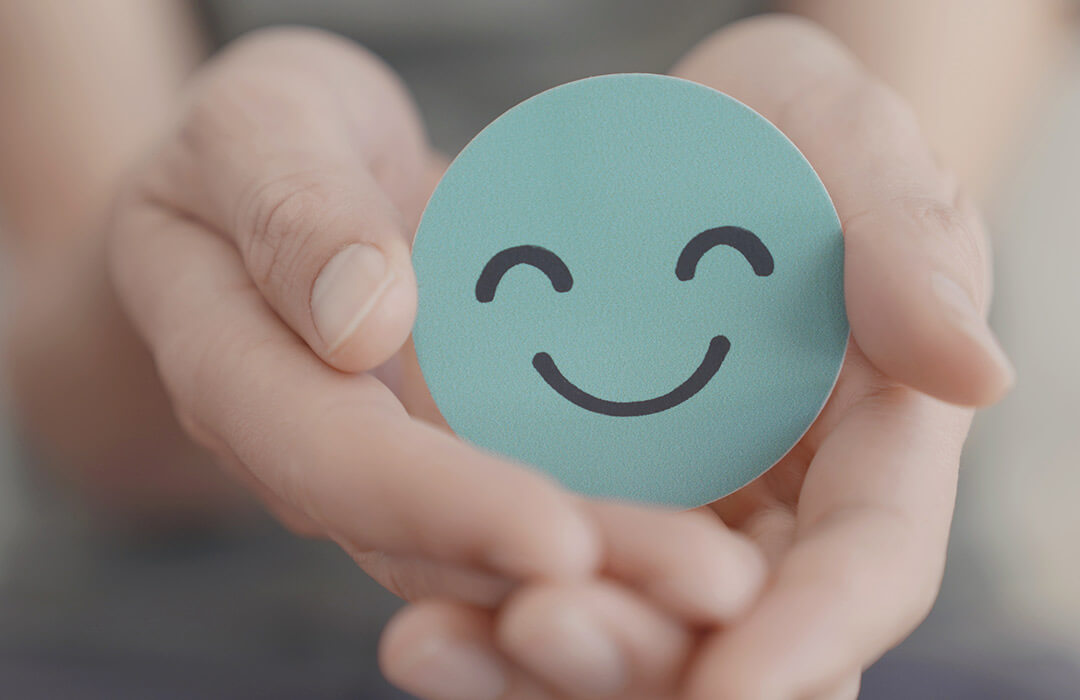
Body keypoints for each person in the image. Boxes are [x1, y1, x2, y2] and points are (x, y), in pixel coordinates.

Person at [0, 2, 1069, 698]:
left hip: (853, 597)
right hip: (155, 635)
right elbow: (90, 406)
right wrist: (203, 251)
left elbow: (836, 293)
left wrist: (853, 162)